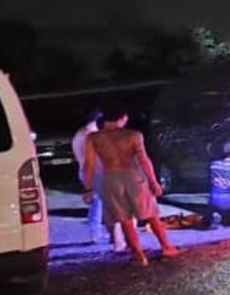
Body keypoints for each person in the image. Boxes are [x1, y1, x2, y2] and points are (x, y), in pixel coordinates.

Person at [80, 104, 179, 267]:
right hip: (134, 177)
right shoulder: (133, 135)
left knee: (124, 219)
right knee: (151, 214)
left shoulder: (94, 138)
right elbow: (144, 160)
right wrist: (153, 182)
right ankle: (166, 247)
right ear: (122, 118)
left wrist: (88, 188)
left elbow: (88, 165)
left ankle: (139, 256)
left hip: (111, 179)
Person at [71, 108, 108, 243]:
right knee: (99, 203)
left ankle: (96, 232)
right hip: (94, 172)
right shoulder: (92, 135)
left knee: (97, 203)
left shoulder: (79, 133)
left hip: (84, 170)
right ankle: (97, 233)